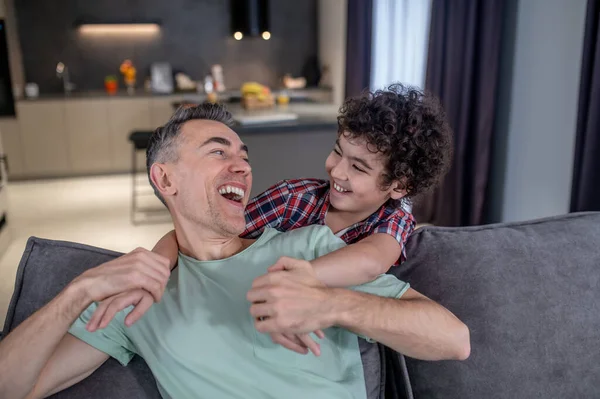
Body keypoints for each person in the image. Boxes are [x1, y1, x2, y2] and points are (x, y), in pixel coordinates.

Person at [0, 104, 469, 399]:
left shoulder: (312, 251)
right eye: (218, 151)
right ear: (165, 180)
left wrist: (329, 302)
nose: (242, 166)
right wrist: (76, 293)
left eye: (244, 155)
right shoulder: (133, 295)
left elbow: (454, 340)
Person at [94, 83, 455, 357]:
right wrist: (157, 263)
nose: (336, 171)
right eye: (337, 152)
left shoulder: (393, 219)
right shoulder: (293, 199)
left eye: (358, 167)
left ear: (398, 185)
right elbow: (208, 231)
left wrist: (297, 281)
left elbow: (370, 260)